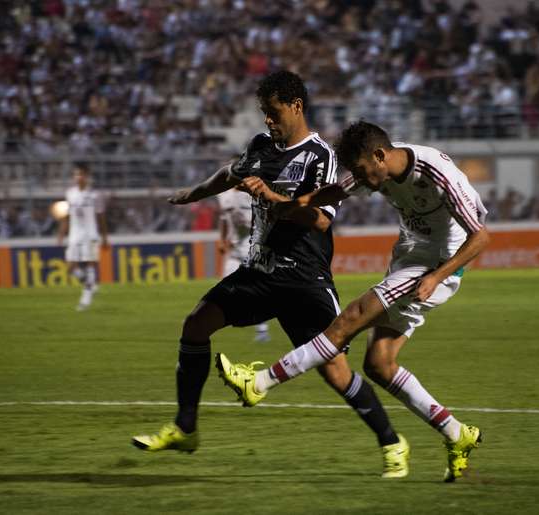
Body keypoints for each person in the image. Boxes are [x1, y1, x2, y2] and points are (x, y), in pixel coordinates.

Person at [132, 71, 407, 478]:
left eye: (273, 112)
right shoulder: (261, 146)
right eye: (264, 112)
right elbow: (229, 174)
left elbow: (320, 220)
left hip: (303, 280)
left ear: (295, 106)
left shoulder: (321, 156)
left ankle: (392, 443)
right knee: (195, 325)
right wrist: (193, 194)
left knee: (335, 372)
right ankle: (185, 428)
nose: (268, 120)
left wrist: (273, 196)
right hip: (259, 271)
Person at [217, 120, 490, 482]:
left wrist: (436, 277)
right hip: (410, 254)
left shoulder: (437, 174)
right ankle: (458, 434)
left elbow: (481, 237)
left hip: (440, 262)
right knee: (379, 364)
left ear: (379, 155)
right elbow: (331, 193)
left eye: (362, 170)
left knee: (349, 319)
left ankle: (261, 382)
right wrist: (285, 202)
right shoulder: (372, 167)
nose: (361, 179)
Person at [216, 187, 270, 342]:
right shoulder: (224, 195)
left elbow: (265, 217)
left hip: (252, 249)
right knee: (224, 287)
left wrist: (249, 222)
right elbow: (223, 219)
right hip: (234, 250)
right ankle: (214, 319)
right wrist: (222, 239)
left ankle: (262, 330)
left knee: (253, 290)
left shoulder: (253, 193)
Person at [57, 163, 108, 311]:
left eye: (81, 174)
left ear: (87, 177)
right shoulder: (70, 193)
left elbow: (101, 217)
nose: (78, 177)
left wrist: (104, 237)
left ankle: (85, 300)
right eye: (76, 174)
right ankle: (90, 284)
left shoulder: (95, 195)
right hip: (75, 235)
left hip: (91, 235)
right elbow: (66, 216)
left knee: (90, 265)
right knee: (70, 268)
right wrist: (61, 233)